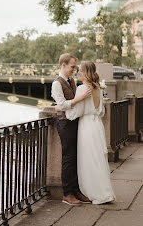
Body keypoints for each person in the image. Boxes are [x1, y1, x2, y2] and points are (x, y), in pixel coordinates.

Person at [56, 61, 116, 204]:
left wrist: (60, 108)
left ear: (86, 73)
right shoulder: (98, 88)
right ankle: (104, 191)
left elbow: (75, 113)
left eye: (81, 70)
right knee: (98, 159)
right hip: (97, 126)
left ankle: (93, 192)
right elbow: (101, 112)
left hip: (86, 127)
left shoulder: (83, 89)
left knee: (88, 161)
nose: (78, 72)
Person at [51, 53, 92, 206]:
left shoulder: (71, 80)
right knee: (68, 159)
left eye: (75, 67)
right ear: (63, 65)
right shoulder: (57, 83)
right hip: (65, 124)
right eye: (72, 67)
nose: (74, 70)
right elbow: (61, 105)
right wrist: (79, 99)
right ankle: (67, 194)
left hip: (74, 121)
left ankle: (75, 190)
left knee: (75, 157)